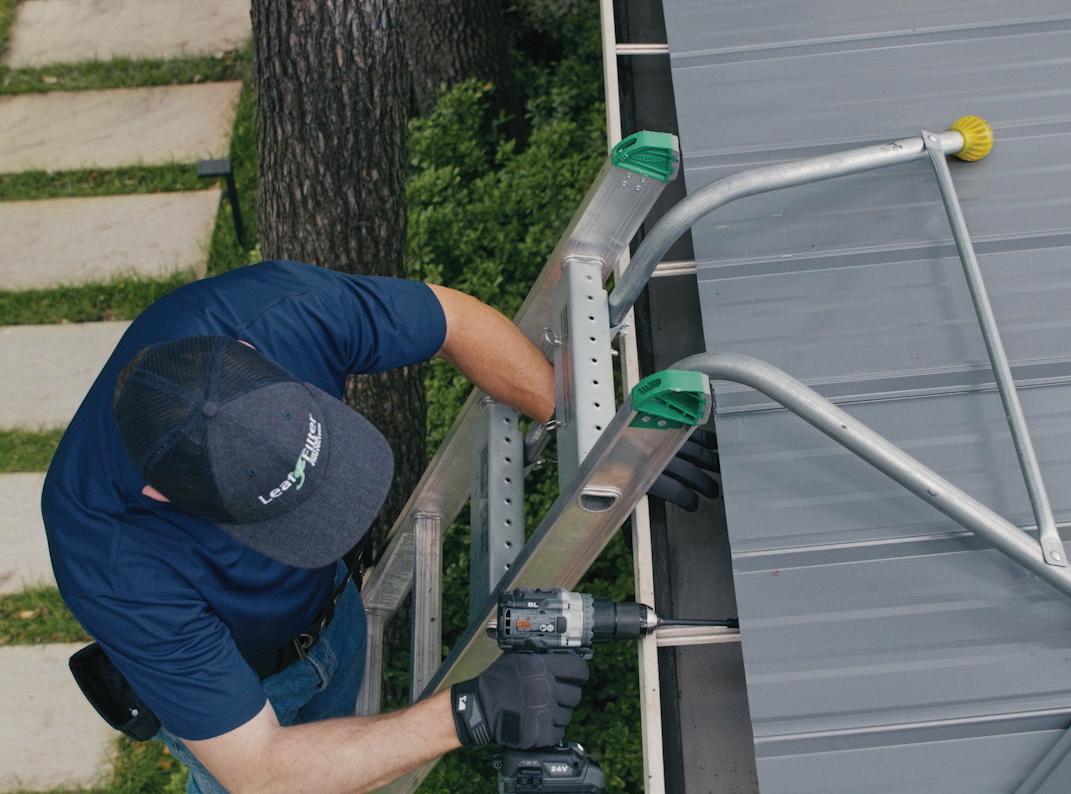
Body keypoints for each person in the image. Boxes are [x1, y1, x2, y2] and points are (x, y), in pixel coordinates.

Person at [43, 260, 712, 793]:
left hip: (334, 617)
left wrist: (589, 435)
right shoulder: (108, 554)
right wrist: (470, 712)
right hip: (247, 685)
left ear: (250, 353)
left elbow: (451, 320)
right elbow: (259, 768)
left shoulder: (275, 312)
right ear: (161, 495)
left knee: (344, 761)